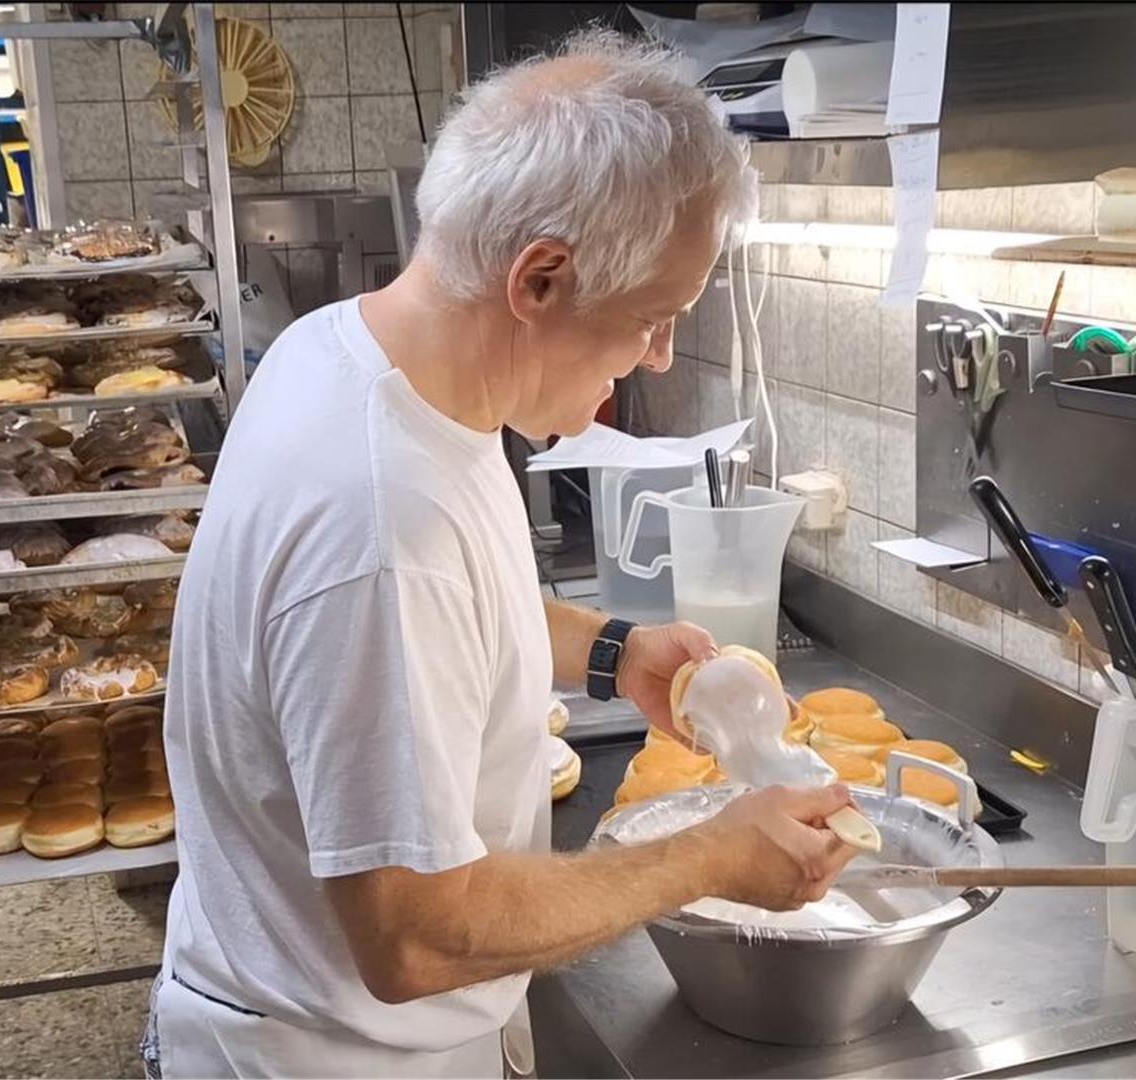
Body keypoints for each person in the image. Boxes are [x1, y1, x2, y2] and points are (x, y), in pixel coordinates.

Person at [150, 29, 860, 1078]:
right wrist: (712, 854)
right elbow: (416, 933)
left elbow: (458, 616)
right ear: (540, 280)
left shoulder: (352, 354)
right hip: (331, 1058)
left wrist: (615, 651)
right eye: (654, 317)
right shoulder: (379, 515)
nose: (659, 354)